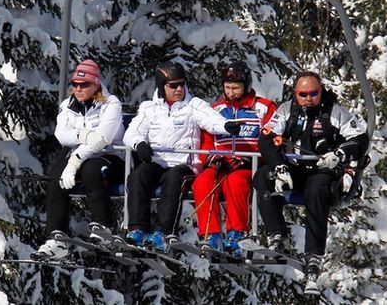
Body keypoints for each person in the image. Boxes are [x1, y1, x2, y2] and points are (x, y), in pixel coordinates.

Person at [253, 71, 369, 289]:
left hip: (322, 169)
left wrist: (340, 154)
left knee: (317, 191)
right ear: (296, 94)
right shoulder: (288, 110)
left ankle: (314, 253)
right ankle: (277, 235)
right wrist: (279, 166)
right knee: (263, 177)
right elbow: (266, 138)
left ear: (321, 91)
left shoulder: (333, 112)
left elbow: (360, 139)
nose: (308, 98)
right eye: (303, 94)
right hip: (294, 168)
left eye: (314, 93)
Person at [123, 60, 242, 252]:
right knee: (138, 176)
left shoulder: (192, 105)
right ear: (162, 86)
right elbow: (132, 133)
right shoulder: (149, 108)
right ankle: (138, 229)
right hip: (157, 161)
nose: (179, 89)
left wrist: (226, 126)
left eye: (182, 84)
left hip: (183, 164)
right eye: (173, 85)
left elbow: (211, 119)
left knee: (173, 179)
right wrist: (140, 144)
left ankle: (163, 233)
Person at [33, 59, 125, 259]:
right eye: (75, 84)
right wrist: (83, 136)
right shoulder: (68, 105)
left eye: (85, 85)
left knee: (92, 170)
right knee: (55, 176)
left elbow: (103, 139)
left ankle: (104, 227)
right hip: (79, 153)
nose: (79, 89)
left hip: (110, 155)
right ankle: (56, 237)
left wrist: (75, 160)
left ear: (96, 85)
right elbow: (61, 134)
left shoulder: (111, 104)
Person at [192, 61, 277, 254]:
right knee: (202, 182)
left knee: (236, 182)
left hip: (248, 165)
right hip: (222, 163)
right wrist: (212, 158)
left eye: (236, 88)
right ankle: (210, 234)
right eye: (227, 88)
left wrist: (253, 158)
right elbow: (206, 140)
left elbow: (271, 139)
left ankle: (236, 233)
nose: (231, 92)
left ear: (246, 86)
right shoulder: (216, 110)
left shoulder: (263, 108)